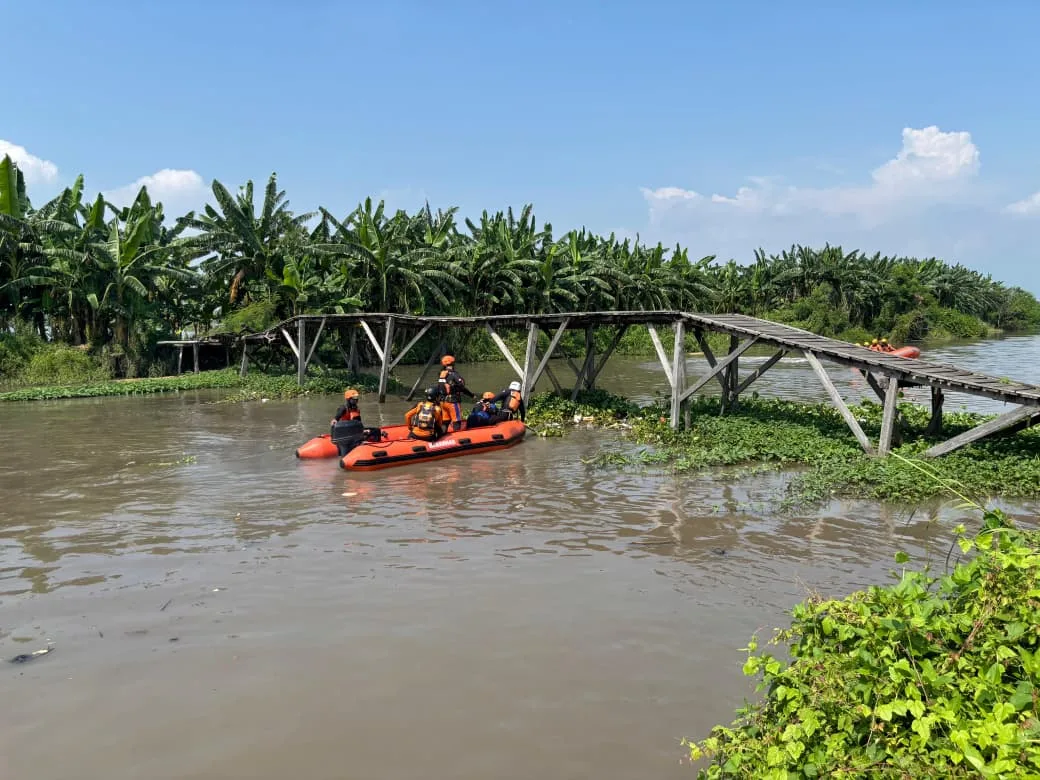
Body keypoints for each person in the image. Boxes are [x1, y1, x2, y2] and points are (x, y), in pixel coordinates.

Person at [437, 354, 475, 431]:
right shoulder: (454, 374)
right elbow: (462, 387)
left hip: (443, 402)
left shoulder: (441, 374)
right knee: (457, 421)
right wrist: (471, 395)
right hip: (453, 402)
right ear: (453, 363)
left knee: (445, 421)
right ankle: (456, 436)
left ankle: (443, 435)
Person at [330, 388, 366, 455]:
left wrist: (363, 430)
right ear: (348, 399)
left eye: (357, 398)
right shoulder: (343, 408)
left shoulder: (357, 409)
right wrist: (334, 421)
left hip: (354, 433)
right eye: (354, 398)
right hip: (345, 433)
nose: (356, 400)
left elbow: (359, 423)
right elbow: (335, 419)